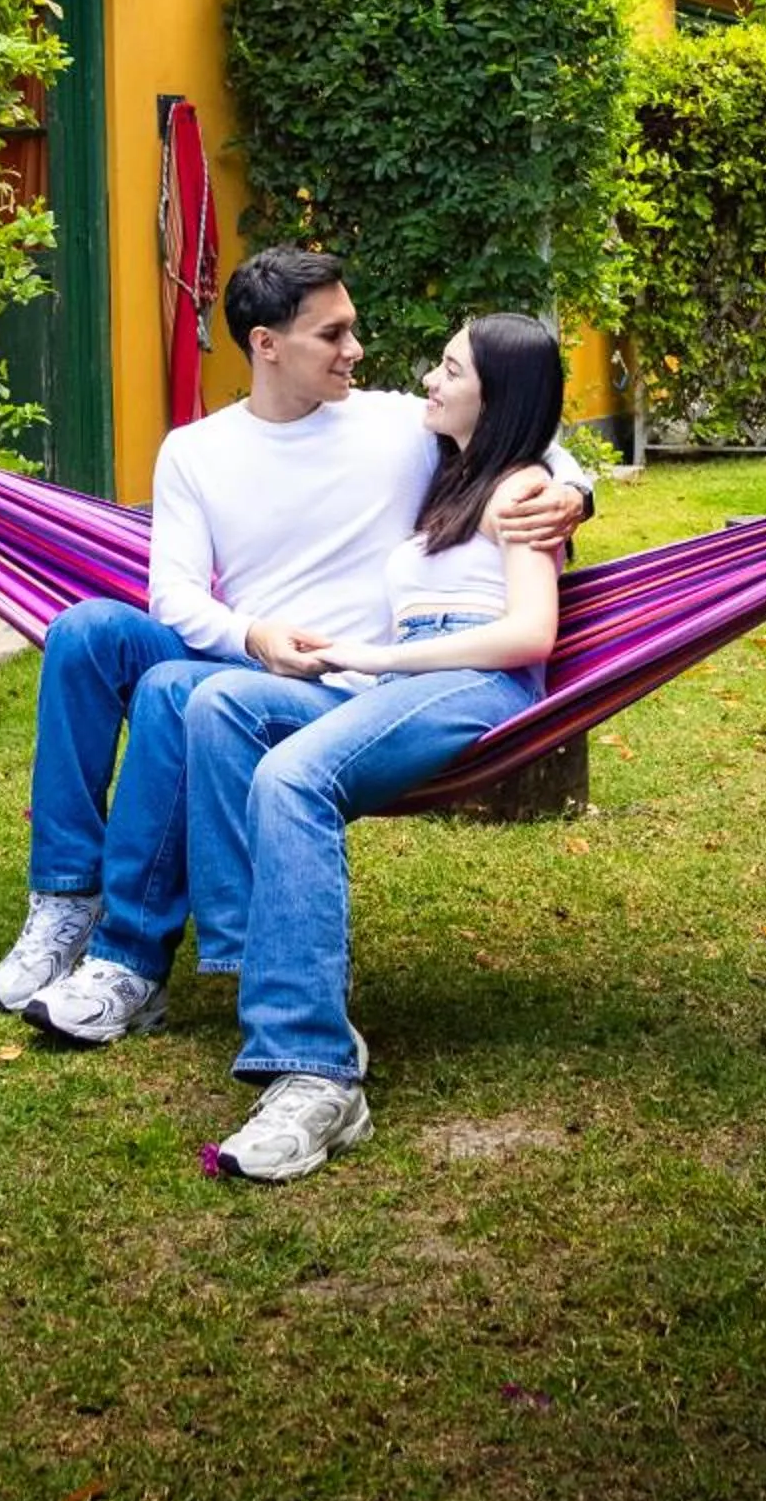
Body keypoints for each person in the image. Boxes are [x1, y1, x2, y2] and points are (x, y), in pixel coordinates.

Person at [0, 250, 588, 1028]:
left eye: (352, 328)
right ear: (266, 345)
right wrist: (251, 634)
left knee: (173, 692)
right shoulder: (196, 451)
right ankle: (66, 899)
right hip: (245, 651)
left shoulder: (398, 425)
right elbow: (173, 595)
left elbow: (515, 426)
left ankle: (130, 961)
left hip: (343, 680)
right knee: (86, 632)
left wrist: (574, 491)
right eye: (332, 335)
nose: (355, 350)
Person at [187, 312, 568, 1183]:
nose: (430, 379)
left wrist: (377, 657)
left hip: (475, 682)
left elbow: (530, 634)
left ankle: (318, 1074)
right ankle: (263, 962)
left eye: (451, 370)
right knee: (220, 703)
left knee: (293, 777)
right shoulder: (449, 472)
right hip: (405, 681)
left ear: (497, 397)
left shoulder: (519, 488)